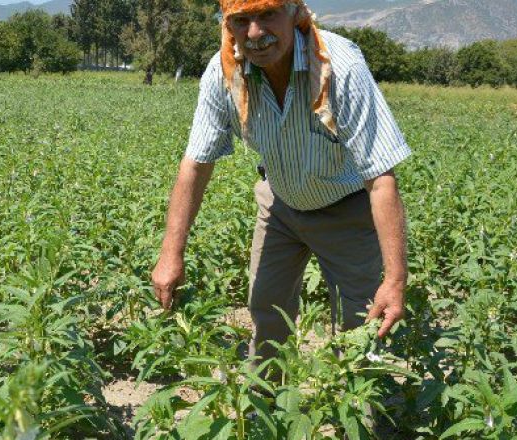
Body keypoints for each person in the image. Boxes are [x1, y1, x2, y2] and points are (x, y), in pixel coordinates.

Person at [151, 0, 412, 369]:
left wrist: (396, 279)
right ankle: (266, 411)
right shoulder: (225, 72)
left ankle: (362, 416)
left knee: (365, 323)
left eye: (267, 15)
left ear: (294, 12)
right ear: (228, 25)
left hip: (347, 208)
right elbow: (196, 163)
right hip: (280, 202)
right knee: (266, 310)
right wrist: (170, 254)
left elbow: (381, 178)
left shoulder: (340, 66)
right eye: (242, 20)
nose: (255, 33)